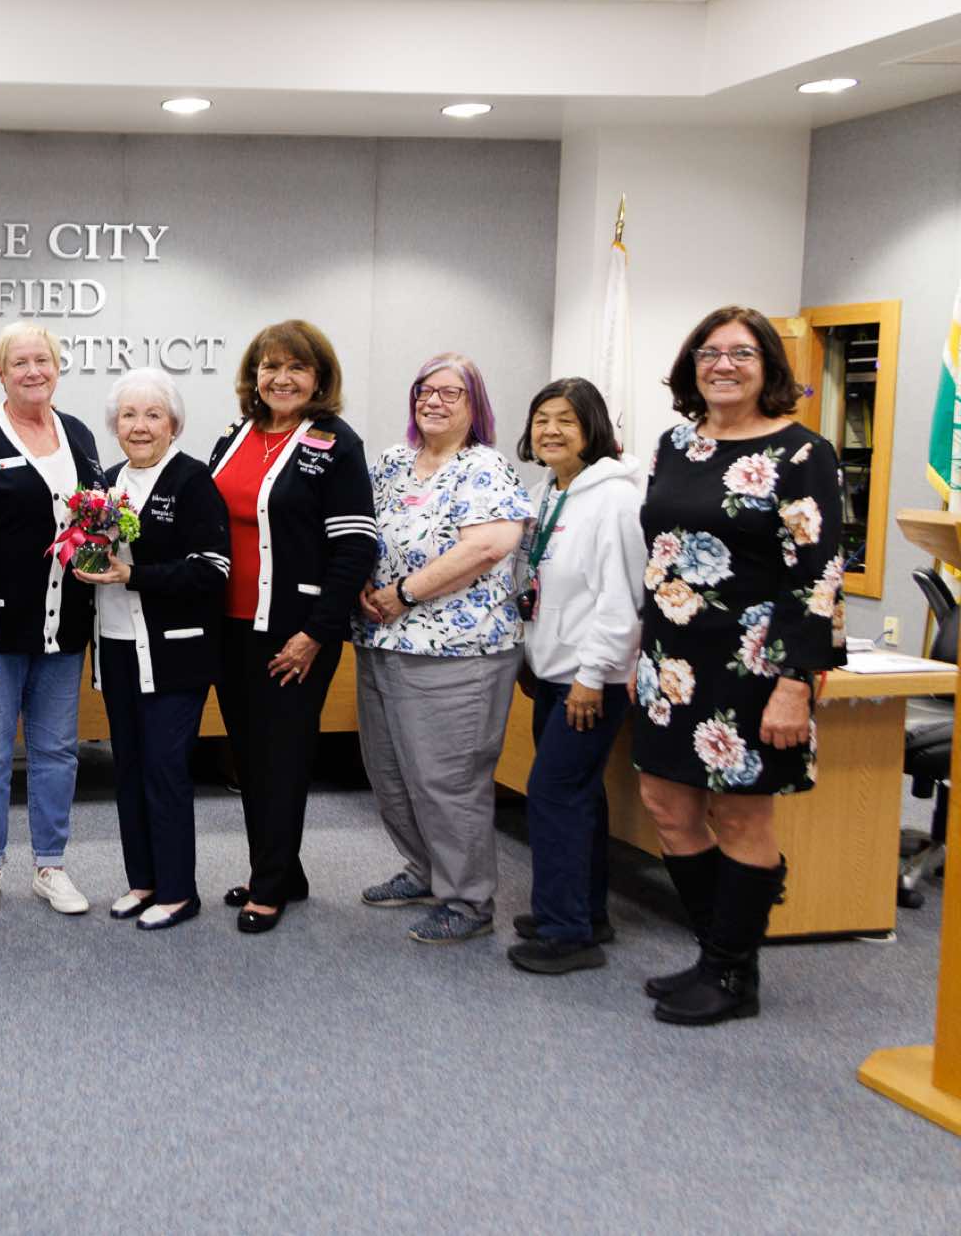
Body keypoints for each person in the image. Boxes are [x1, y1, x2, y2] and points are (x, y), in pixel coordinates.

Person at [631, 306, 845, 1025]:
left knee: (740, 814)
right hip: (670, 660)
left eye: (742, 353)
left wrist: (795, 685)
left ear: (769, 367)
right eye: (709, 353)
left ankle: (732, 972)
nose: (723, 365)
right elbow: (659, 554)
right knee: (666, 804)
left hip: (753, 665)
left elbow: (817, 578)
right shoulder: (674, 446)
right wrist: (640, 649)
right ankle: (713, 952)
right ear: (692, 366)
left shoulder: (802, 454)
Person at [354, 352, 532, 944]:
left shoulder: (485, 468)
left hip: (459, 651)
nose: (433, 401)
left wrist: (404, 592)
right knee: (389, 773)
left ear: (474, 405)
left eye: (450, 393)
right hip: (381, 639)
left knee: (446, 780)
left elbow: (487, 547)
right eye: (424, 390)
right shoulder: (391, 463)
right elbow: (361, 529)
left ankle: (468, 900)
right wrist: (361, 582)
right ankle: (424, 869)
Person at [207, 321, 377, 935]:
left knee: (281, 756)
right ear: (253, 375)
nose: (281, 378)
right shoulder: (237, 436)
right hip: (230, 626)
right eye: (270, 366)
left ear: (319, 378)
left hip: (293, 632)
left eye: (296, 368)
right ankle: (282, 870)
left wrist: (316, 633)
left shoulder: (336, 444)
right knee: (249, 758)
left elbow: (356, 546)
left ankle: (270, 884)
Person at [0, 320, 106, 918]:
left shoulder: (78, 434)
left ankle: (50, 865)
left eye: (43, 360)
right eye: (20, 363)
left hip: (63, 629)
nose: (33, 371)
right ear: (1, 373)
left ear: (57, 368)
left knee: (58, 751)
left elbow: (92, 520)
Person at [75, 368, 227, 931]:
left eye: (152, 415)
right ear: (115, 426)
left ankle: (179, 890)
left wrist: (131, 576)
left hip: (174, 655)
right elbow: (96, 555)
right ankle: (142, 880)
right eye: (129, 416)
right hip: (116, 648)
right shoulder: (108, 483)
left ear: (173, 425)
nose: (139, 426)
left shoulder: (193, 480)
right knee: (130, 769)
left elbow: (213, 569)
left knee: (165, 769)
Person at [506, 379, 644, 975]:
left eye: (566, 419)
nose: (551, 431)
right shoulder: (548, 492)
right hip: (553, 671)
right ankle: (586, 911)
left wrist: (593, 675)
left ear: (593, 427)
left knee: (552, 793)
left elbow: (623, 598)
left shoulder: (614, 499)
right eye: (542, 419)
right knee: (578, 793)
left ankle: (567, 935)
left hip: (591, 679)